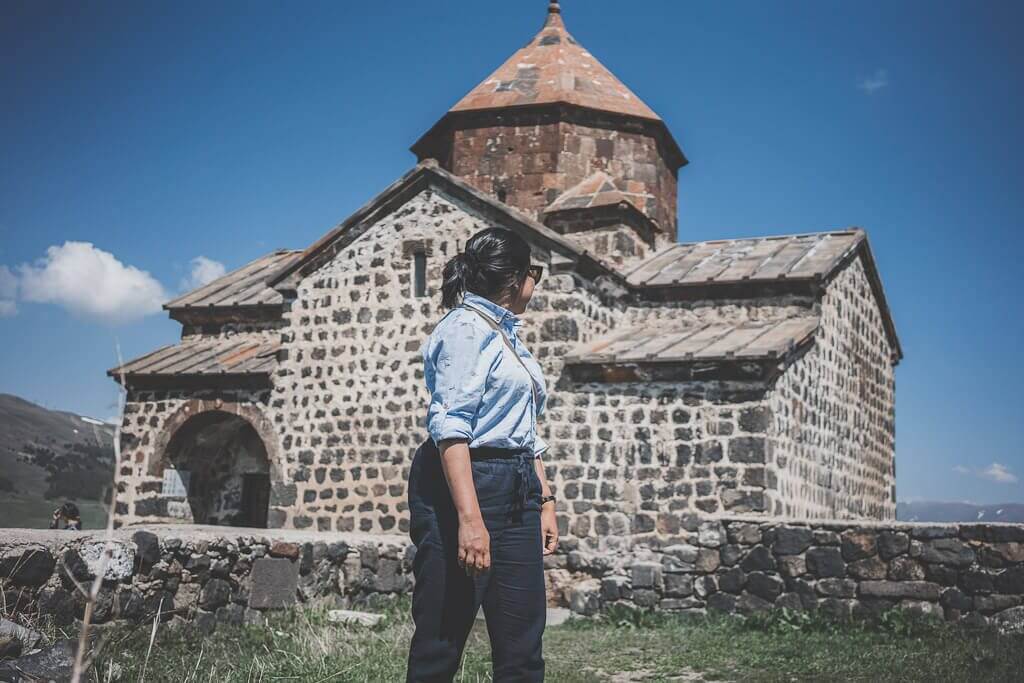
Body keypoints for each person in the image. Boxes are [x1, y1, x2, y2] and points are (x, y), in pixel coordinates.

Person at [405, 227, 558, 683]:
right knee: (443, 636)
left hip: (516, 486)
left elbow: (523, 428)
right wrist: (470, 520)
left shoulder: (507, 334)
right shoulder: (465, 330)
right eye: (536, 273)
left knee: (522, 641)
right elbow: (451, 431)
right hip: (467, 482)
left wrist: (544, 499)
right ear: (514, 278)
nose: (536, 283)